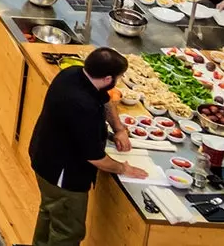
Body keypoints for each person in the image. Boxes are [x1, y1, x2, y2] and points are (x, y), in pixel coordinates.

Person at [28, 47, 144, 246]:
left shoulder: (71, 74)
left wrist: (119, 129)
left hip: (42, 156)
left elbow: (106, 100)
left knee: (49, 212)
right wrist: (124, 168)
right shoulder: (83, 107)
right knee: (67, 231)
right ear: (108, 79)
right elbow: (96, 158)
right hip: (62, 176)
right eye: (118, 77)